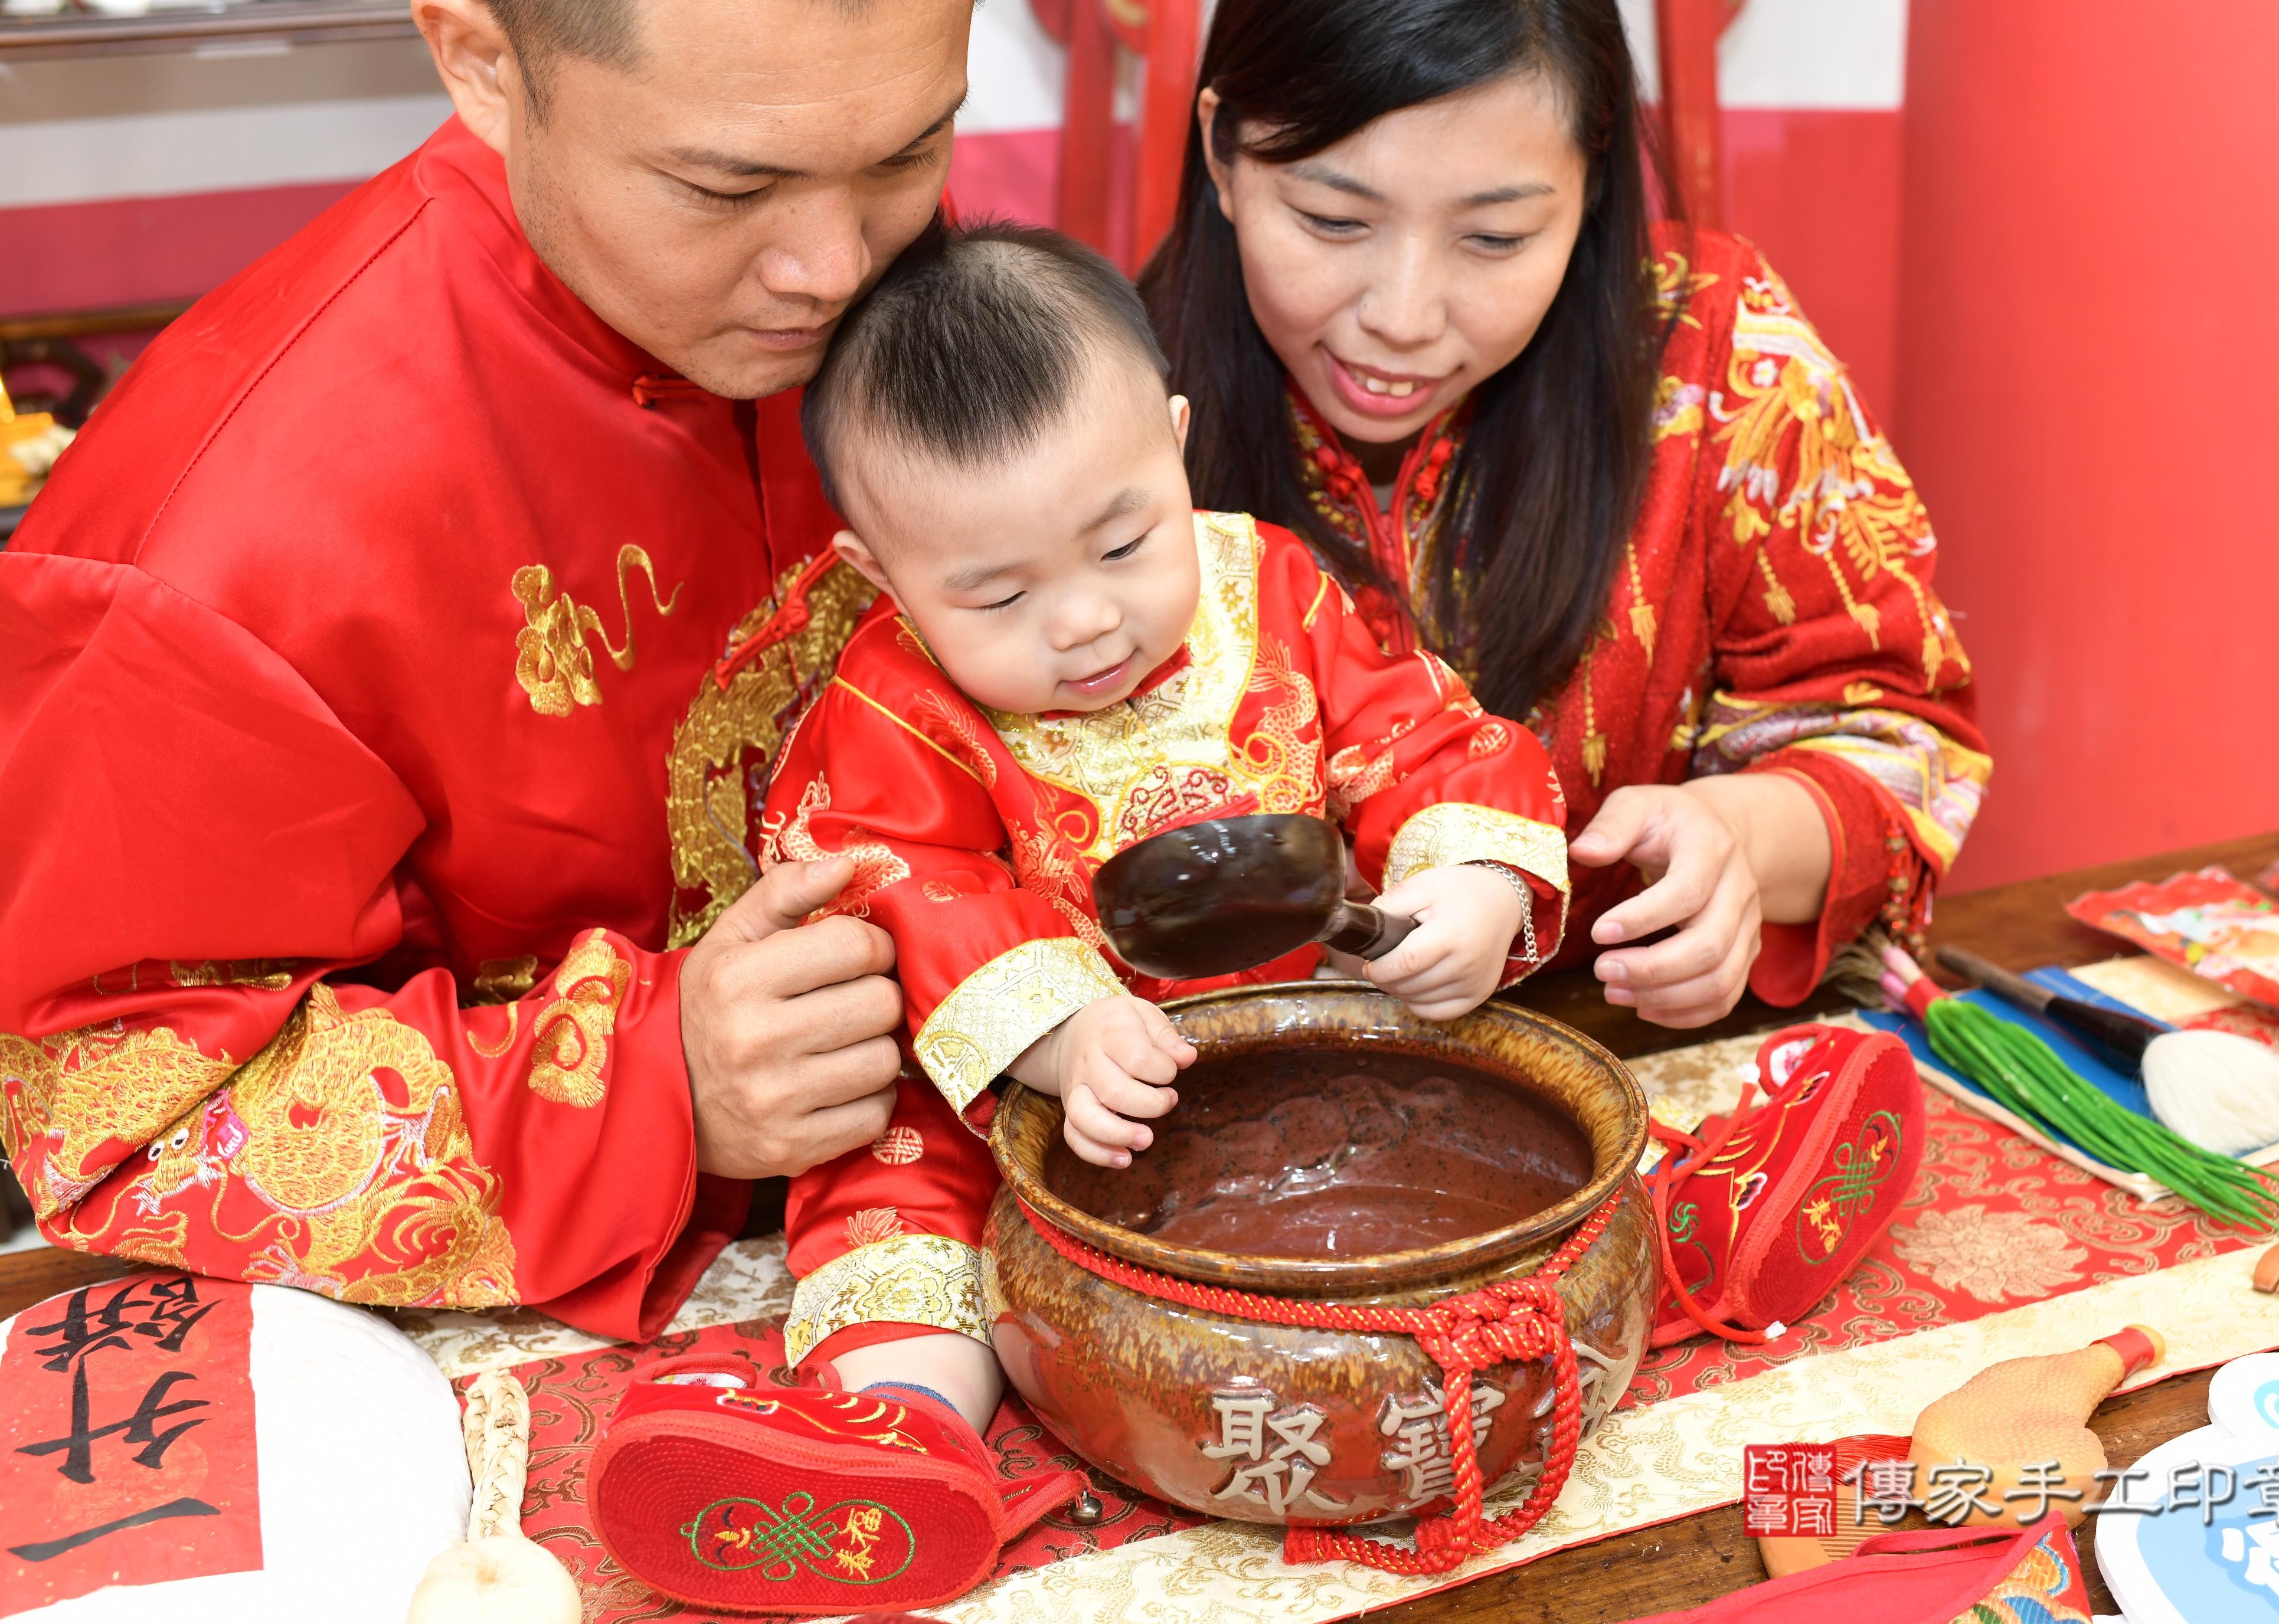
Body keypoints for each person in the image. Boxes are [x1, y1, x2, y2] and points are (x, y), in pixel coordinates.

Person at [0, 0, 979, 1346]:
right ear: (480, 62)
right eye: (725, 188)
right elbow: (116, 1120)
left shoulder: (877, 246)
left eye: (911, 152)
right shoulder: (213, 554)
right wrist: (657, 1084)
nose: (833, 268)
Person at [753, 222, 1568, 1404]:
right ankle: (906, 1425)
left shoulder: (1270, 585)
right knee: (903, 1203)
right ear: (883, 573)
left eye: (1125, 543)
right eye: (999, 595)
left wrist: (1471, 889)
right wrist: (1059, 1037)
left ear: (1177, 447)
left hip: (1286, 1027)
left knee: (1462, 1128)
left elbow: (1423, 737)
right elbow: (900, 879)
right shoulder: (897, 695)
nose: (1085, 620)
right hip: (1010, 1091)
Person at [1141, 0, 1992, 1027]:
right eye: (1333, 220)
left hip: (1612, 1039)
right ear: (1223, 153)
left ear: (1593, 184)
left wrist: (1735, 836)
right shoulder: (1091, 414)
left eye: (1495, 237)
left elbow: (1899, 733)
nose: (1403, 318)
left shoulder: (1719, 357)